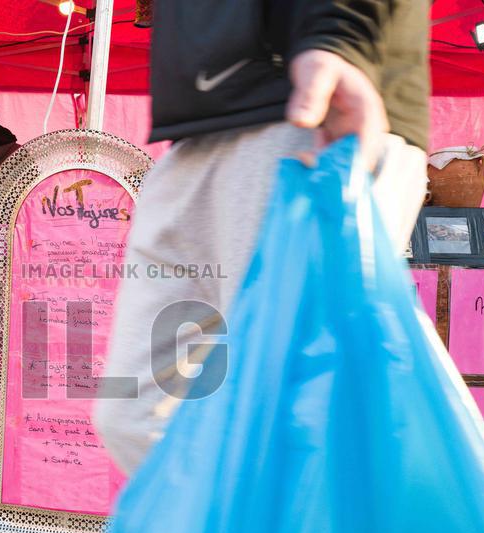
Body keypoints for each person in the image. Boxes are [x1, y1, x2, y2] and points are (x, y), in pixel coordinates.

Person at [95, 1, 430, 474]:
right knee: (133, 417)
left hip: (310, 106)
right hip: (197, 125)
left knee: (287, 425)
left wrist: (340, 38)